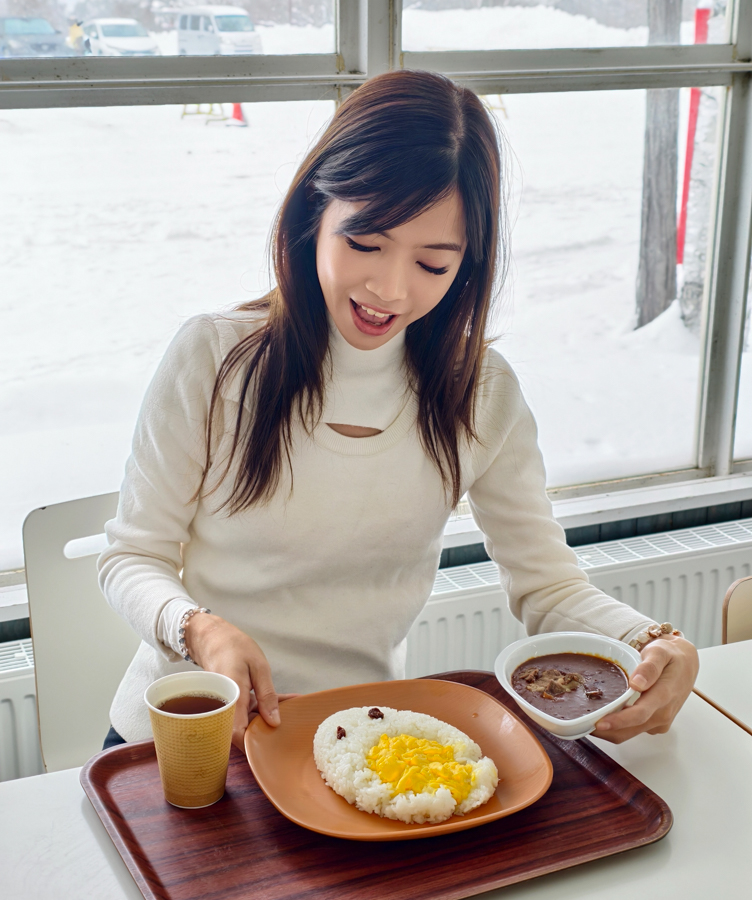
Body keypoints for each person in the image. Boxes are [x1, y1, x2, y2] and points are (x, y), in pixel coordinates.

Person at [98, 69, 699, 752]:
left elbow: (548, 586)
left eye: (433, 264)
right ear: (311, 215)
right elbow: (132, 557)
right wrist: (199, 628)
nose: (390, 289)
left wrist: (653, 642)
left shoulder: (480, 392)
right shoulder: (215, 358)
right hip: (189, 735)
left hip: (351, 744)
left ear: (467, 266)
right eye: (364, 243)